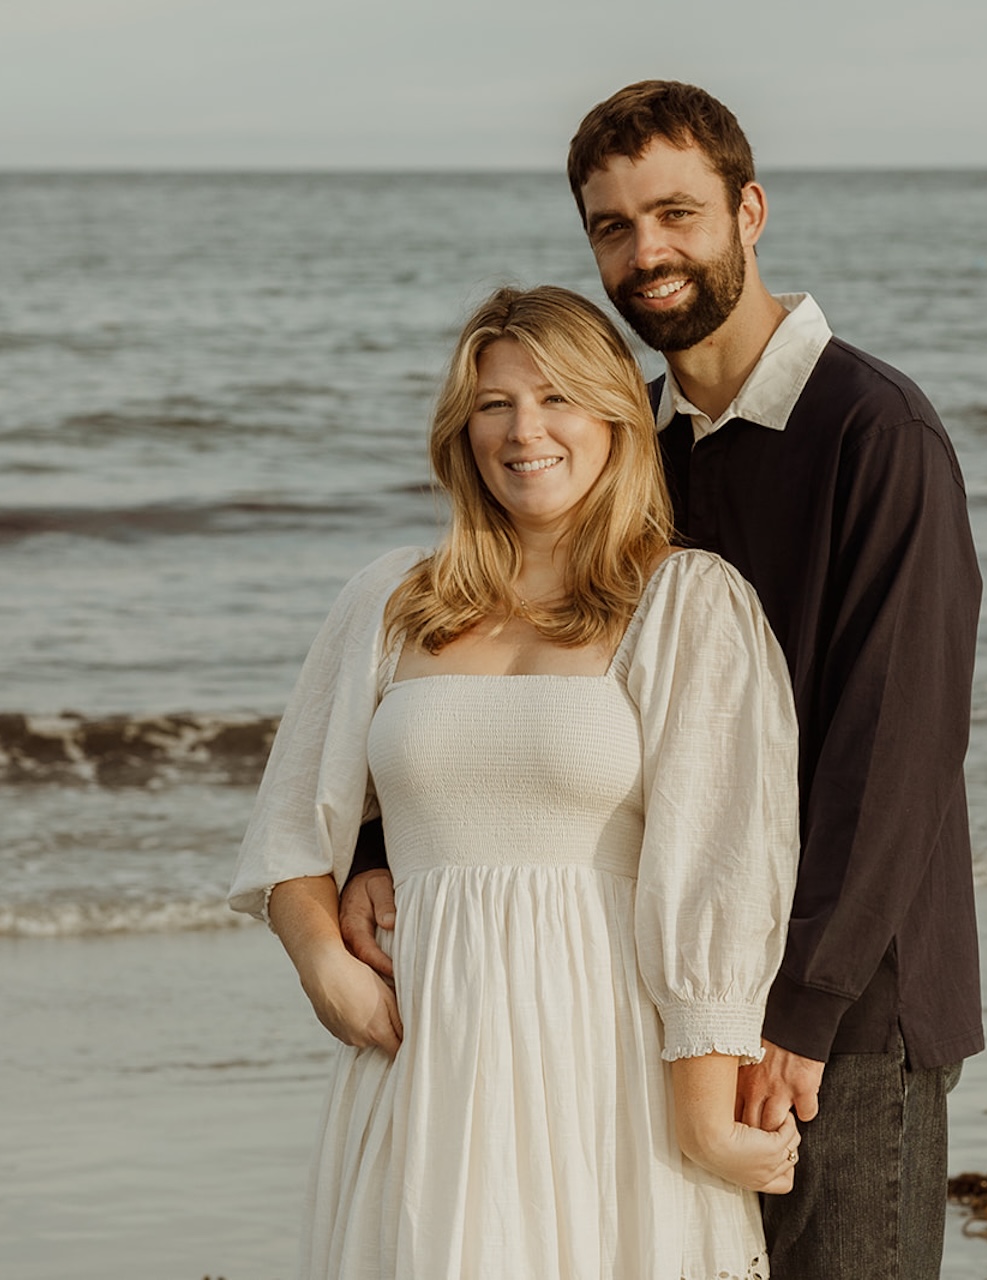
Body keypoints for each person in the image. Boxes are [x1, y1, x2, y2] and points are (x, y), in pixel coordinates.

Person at [342, 83, 983, 1278]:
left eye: (677, 213)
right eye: (613, 227)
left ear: (751, 211)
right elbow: (502, 652)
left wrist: (802, 1005)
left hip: (841, 1003)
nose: (649, 253)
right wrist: (379, 842)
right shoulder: (627, 441)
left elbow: (893, 750)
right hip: (663, 1000)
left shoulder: (875, 432)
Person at [230, 284, 802, 1280]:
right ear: (463, 429)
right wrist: (324, 963)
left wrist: (704, 1121)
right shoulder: (391, 598)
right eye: (495, 404)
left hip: (608, 1054)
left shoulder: (687, 603)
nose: (524, 429)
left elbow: (718, 873)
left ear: (620, 418)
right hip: (421, 1058)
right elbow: (293, 828)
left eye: (557, 398)